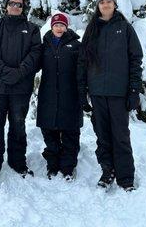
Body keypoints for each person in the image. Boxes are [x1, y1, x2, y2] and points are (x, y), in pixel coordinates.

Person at [78, 0, 143, 192]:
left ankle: (126, 178)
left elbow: (135, 59)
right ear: (97, 6)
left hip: (118, 93)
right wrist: (82, 93)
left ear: (115, 5)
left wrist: (134, 90)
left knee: (121, 136)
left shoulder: (124, 28)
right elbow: (82, 62)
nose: (105, 4)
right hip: (97, 93)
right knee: (103, 137)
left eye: (109, 1)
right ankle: (108, 172)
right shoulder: (91, 31)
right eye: (102, 1)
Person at [0, 0, 41, 182]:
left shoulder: (31, 29)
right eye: (12, 3)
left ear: (23, 8)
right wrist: (5, 71)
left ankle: (17, 162)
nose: (15, 7)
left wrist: (19, 72)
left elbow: (36, 54)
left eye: (19, 5)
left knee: (18, 126)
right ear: (6, 6)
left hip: (20, 88)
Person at [37, 13, 83, 181]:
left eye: (62, 25)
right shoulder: (43, 46)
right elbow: (33, 65)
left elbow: (84, 68)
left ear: (66, 27)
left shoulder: (76, 46)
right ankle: (52, 165)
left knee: (70, 134)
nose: (59, 28)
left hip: (70, 96)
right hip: (48, 96)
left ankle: (68, 168)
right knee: (50, 133)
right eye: (56, 25)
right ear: (51, 27)